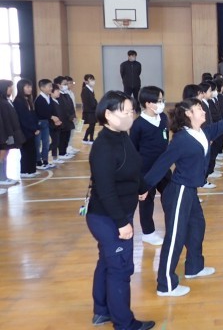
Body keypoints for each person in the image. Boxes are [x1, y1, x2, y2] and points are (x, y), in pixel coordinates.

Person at [143, 89, 223, 297]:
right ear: (188, 114)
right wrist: (144, 188)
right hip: (179, 192)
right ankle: (165, 285)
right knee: (175, 237)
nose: (204, 111)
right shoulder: (181, 139)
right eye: (199, 109)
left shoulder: (203, 132)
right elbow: (162, 164)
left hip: (190, 191)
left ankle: (194, 267)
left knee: (197, 226)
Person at [86, 91, 154, 330]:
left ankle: (102, 311)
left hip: (118, 213)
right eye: (125, 112)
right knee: (120, 268)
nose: (130, 116)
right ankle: (125, 324)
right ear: (108, 114)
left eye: (131, 111)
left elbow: (133, 166)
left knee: (108, 262)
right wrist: (121, 223)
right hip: (108, 217)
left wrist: (142, 187)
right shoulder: (103, 147)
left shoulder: (122, 136)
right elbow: (105, 190)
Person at [129, 86, 172, 246]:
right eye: (158, 101)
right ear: (147, 103)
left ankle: (173, 227)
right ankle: (148, 232)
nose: (162, 104)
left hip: (164, 168)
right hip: (146, 171)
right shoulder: (138, 125)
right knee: (147, 202)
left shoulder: (163, 118)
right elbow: (133, 149)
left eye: (162, 100)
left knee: (171, 197)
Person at [13, 79, 40, 178]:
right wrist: (33, 128)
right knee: (26, 151)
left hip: (30, 130)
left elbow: (32, 115)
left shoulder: (28, 100)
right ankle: (24, 171)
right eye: (27, 87)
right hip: (24, 131)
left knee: (32, 150)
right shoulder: (18, 101)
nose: (30, 89)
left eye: (30, 87)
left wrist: (36, 126)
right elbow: (23, 118)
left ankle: (31, 170)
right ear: (21, 88)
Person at [0, 79, 24, 188]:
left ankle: (4, 177)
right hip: (4, 134)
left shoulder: (6, 100)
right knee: (2, 156)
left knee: (5, 155)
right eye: (9, 87)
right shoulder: (1, 102)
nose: (11, 89)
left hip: (9, 133)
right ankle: (2, 178)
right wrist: (6, 136)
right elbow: (3, 121)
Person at [33, 78, 55, 170]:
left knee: (46, 142)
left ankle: (45, 160)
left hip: (46, 123)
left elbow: (51, 110)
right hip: (39, 123)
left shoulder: (49, 97)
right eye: (49, 86)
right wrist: (51, 117)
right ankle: (38, 161)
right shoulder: (39, 99)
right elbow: (41, 112)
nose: (51, 88)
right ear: (42, 88)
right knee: (37, 143)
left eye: (51, 86)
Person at [54, 75, 76, 160]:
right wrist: (69, 116)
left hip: (69, 120)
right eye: (64, 84)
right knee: (62, 137)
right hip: (63, 120)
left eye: (67, 84)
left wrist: (73, 116)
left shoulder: (66, 94)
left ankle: (65, 151)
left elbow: (71, 106)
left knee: (67, 136)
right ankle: (61, 153)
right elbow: (62, 109)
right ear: (58, 85)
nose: (66, 85)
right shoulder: (58, 96)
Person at [81, 74, 98, 144]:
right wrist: (95, 105)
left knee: (92, 125)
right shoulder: (85, 90)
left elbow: (93, 100)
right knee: (91, 125)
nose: (93, 81)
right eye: (91, 80)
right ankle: (85, 138)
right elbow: (88, 101)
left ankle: (91, 139)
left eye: (93, 79)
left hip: (92, 111)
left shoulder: (91, 89)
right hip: (89, 111)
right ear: (86, 81)